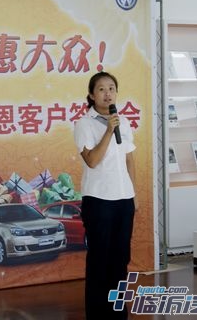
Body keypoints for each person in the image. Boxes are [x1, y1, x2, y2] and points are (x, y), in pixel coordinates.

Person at [74, 71, 136, 320]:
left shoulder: (124, 122)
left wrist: (133, 194)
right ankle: (98, 315)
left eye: (111, 88)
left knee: (121, 260)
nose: (107, 93)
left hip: (124, 198)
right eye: (101, 89)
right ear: (91, 95)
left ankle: (118, 313)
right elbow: (92, 160)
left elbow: (129, 159)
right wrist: (109, 131)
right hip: (98, 200)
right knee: (100, 261)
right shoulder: (84, 124)